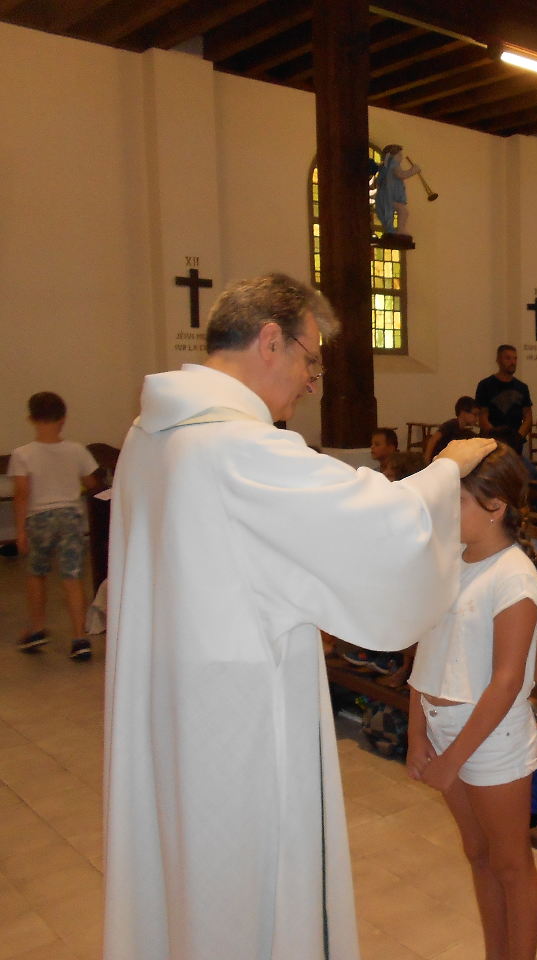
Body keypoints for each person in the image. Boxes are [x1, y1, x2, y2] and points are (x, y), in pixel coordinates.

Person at [102, 273, 496, 960]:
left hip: (169, 704)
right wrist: (446, 469)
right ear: (270, 341)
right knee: (244, 891)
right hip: (236, 721)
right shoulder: (237, 448)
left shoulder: (149, 433)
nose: (312, 382)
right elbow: (375, 524)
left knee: (179, 876)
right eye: (311, 360)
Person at [406, 444, 537, 960]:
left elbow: (507, 681)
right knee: (478, 853)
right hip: (444, 729)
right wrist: (418, 733)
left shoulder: (514, 576)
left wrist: (453, 760)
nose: (447, 510)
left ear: (496, 506)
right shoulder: (451, 560)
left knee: (510, 864)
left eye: (458, 500)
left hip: (490, 740)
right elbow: (428, 648)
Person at [9, 391, 100, 659]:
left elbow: (21, 493)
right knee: (73, 577)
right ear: (63, 419)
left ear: (31, 419)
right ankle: (80, 638)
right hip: (71, 518)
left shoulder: (22, 454)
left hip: (39, 519)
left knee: (36, 573)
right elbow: (92, 482)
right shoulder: (77, 450)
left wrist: (20, 530)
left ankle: (37, 628)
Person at [476, 344, 533, 453]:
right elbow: (483, 416)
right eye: (508, 358)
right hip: (491, 443)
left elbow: (528, 417)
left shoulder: (522, 387)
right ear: (498, 360)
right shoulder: (485, 385)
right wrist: (497, 439)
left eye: (515, 358)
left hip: (515, 444)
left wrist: (517, 438)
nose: (513, 362)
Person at [374, 143, 421, 238]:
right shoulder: (393, 165)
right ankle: (400, 230)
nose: (401, 158)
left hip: (386, 196)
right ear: (391, 156)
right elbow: (401, 175)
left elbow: (378, 181)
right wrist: (414, 170)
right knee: (403, 211)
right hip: (389, 197)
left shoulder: (384, 167)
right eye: (399, 155)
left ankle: (393, 230)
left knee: (396, 213)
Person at [425, 396, 481, 462]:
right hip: (439, 460)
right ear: (463, 413)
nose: (477, 419)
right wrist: (427, 461)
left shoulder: (467, 431)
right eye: (475, 415)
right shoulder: (451, 424)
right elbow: (433, 440)